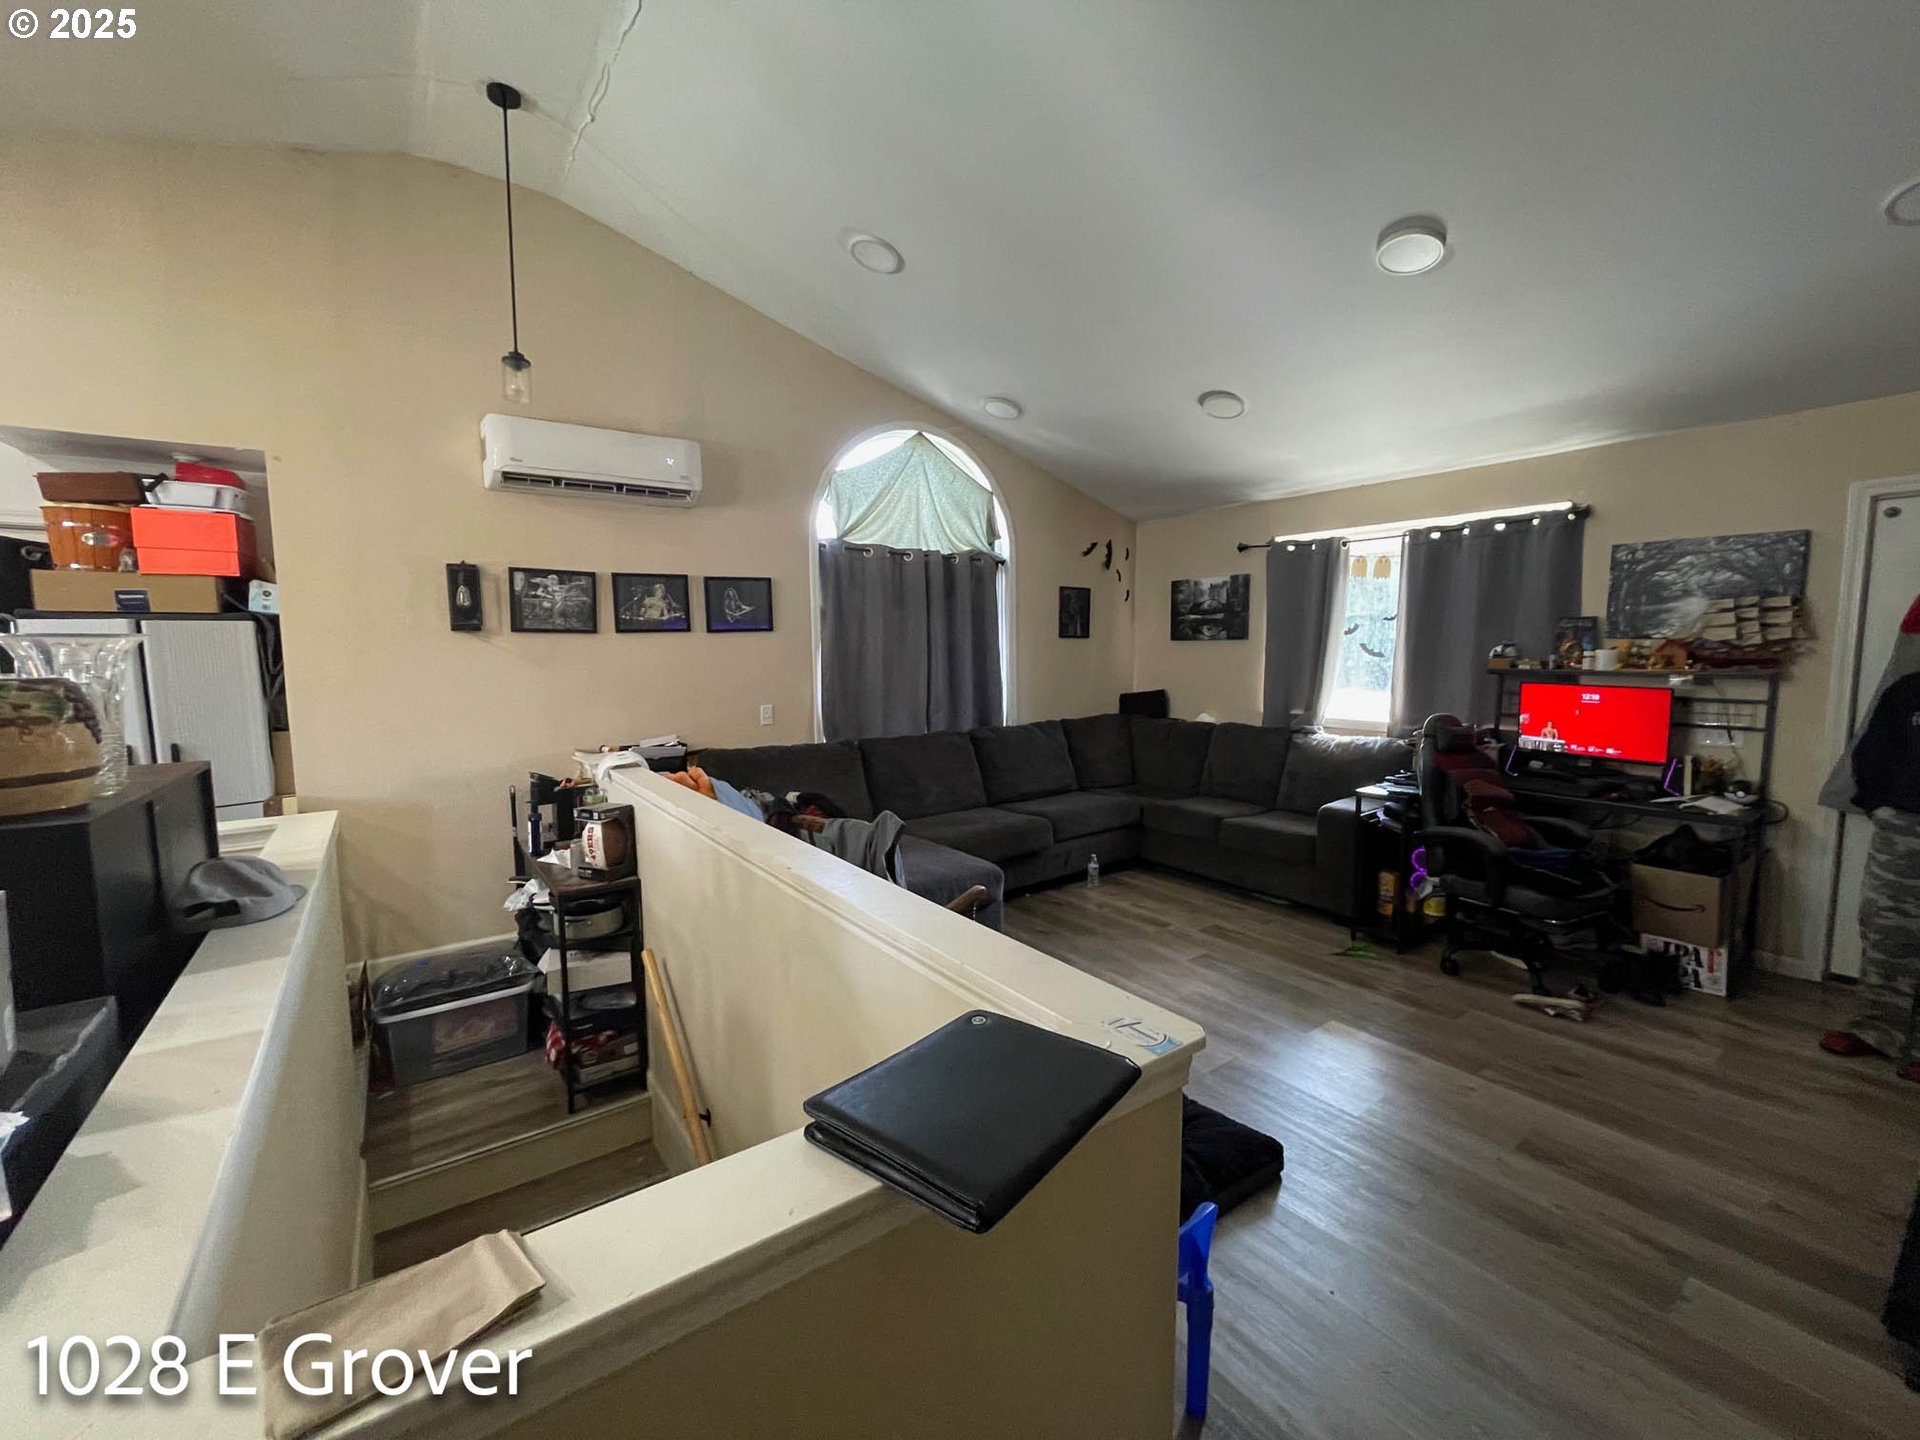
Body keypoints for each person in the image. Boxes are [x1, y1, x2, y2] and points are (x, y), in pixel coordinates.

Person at [1817, 593, 1920, 1082]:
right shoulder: (1907, 691)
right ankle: (1879, 1029)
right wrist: (1878, 803)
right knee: (1884, 929)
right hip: (1901, 827)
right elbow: (1871, 752)